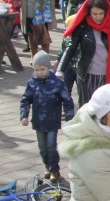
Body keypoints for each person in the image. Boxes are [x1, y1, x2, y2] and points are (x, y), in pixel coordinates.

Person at [58, 0, 110, 108]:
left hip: (108, 75)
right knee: (88, 108)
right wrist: (60, 69)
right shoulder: (82, 25)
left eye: (101, 13)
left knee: (107, 108)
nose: (98, 17)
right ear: (89, 12)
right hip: (88, 75)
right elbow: (71, 47)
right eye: (95, 14)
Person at [20, 51, 75, 182]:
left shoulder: (56, 82)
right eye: (36, 70)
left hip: (52, 121)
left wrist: (69, 118)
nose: (39, 72)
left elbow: (67, 100)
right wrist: (24, 115)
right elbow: (25, 99)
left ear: (48, 67)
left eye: (42, 69)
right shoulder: (32, 83)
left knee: (51, 145)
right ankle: (47, 166)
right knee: (42, 147)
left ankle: (54, 170)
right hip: (38, 121)